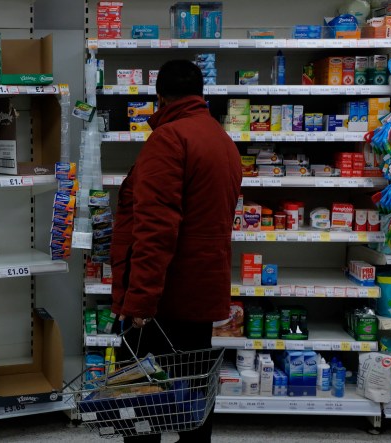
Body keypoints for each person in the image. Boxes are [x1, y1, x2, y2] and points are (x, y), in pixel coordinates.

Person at [110, 59, 242, 443]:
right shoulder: (221, 140)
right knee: (194, 396)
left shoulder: (169, 140)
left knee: (141, 400)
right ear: (201, 94)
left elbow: (155, 230)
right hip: (201, 294)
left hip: (166, 297)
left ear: (160, 97)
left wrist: (140, 301)